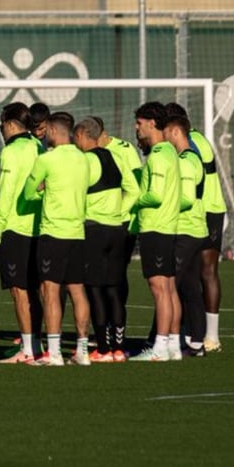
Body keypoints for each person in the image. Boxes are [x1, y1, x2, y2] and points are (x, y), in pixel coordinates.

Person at [21, 112, 92, 366]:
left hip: (53, 233)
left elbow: (28, 194)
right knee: (77, 290)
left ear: (52, 131)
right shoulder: (84, 159)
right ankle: (82, 351)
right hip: (77, 233)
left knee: (50, 291)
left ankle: (54, 354)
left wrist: (44, 191)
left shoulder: (46, 159)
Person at [73, 115, 140, 363]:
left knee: (95, 289)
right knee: (114, 287)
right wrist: (119, 213)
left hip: (94, 230)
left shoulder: (85, 161)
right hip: (116, 229)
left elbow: (74, 193)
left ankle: (102, 348)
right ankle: (119, 348)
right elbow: (133, 190)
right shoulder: (115, 156)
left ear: (81, 135)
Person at [131, 102, 189, 362]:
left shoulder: (157, 156)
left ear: (152, 123)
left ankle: (159, 348)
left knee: (159, 289)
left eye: (139, 123)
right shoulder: (170, 154)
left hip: (156, 227)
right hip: (168, 227)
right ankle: (173, 345)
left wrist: (134, 200)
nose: (136, 128)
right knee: (168, 288)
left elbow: (154, 196)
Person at [0, 102, 43, 364]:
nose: (1, 130)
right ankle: (38, 344)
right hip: (38, 227)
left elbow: (7, 192)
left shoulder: (11, 152)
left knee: (19, 291)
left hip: (14, 228)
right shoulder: (38, 146)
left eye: (1, 126)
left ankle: (28, 348)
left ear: (11, 125)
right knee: (34, 290)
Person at [164, 104, 209, 356]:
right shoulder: (188, 158)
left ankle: (160, 339)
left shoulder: (187, 160)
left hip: (187, 229)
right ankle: (195, 342)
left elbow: (187, 199)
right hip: (192, 229)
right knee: (189, 287)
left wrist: (163, 205)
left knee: (169, 285)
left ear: (175, 133)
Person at [99, 119, 145, 358]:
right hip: (101, 223)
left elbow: (135, 187)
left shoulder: (124, 150)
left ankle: (116, 329)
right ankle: (105, 329)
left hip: (123, 223)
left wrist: (120, 214)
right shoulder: (89, 152)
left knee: (116, 276)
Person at [188, 121, 226, 352]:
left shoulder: (193, 143)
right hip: (206, 209)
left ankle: (210, 336)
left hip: (207, 209)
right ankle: (197, 333)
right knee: (196, 272)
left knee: (205, 271)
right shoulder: (198, 139)